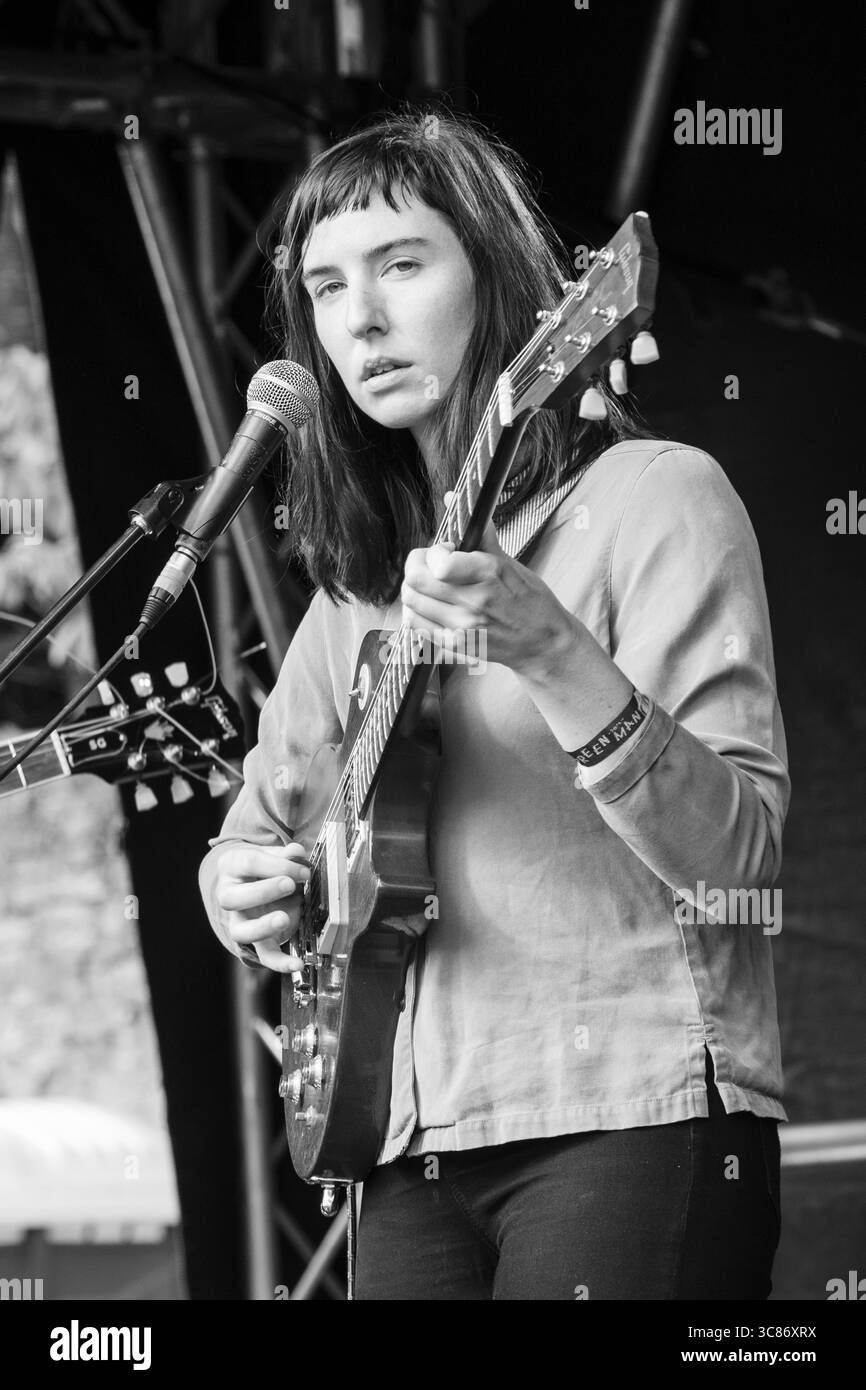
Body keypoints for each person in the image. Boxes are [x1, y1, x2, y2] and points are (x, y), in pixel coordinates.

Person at [197, 107, 789, 1301]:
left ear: (509, 289)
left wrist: (555, 655)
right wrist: (237, 889)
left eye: (401, 265)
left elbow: (745, 854)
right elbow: (252, 838)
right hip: (402, 1148)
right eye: (323, 287)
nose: (358, 317)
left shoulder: (653, 499)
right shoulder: (350, 601)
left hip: (627, 1114)